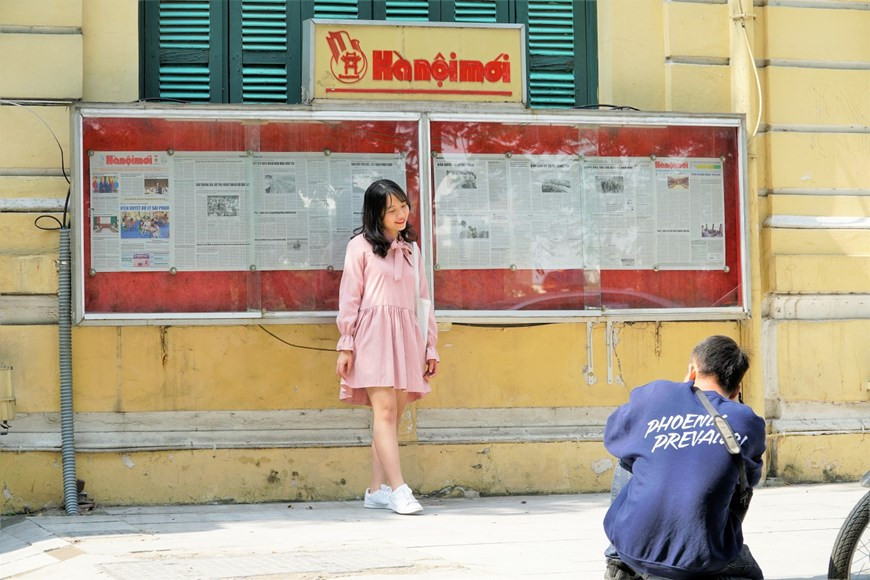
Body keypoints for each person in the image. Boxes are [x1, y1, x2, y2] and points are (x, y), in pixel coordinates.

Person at [603, 335, 766, 580]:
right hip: (703, 558)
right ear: (737, 389)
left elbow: (613, 437)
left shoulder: (655, 394)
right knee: (751, 572)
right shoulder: (748, 421)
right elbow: (749, 480)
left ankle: (617, 560)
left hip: (630, 545)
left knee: (629, 453)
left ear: (692, 371)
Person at [335, 179, 438, 515]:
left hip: (407, 336)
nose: (400, 215)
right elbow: (350, 297)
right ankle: (399, 489)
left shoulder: (412, 250)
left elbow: (423, 301)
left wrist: (430, 346)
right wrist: (346, 343)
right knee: (385, 412)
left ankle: (375, 490)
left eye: (403, 207)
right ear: (376, 213)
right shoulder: (359, 247)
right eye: (391, 209)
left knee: (392, 419)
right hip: (373, 335)